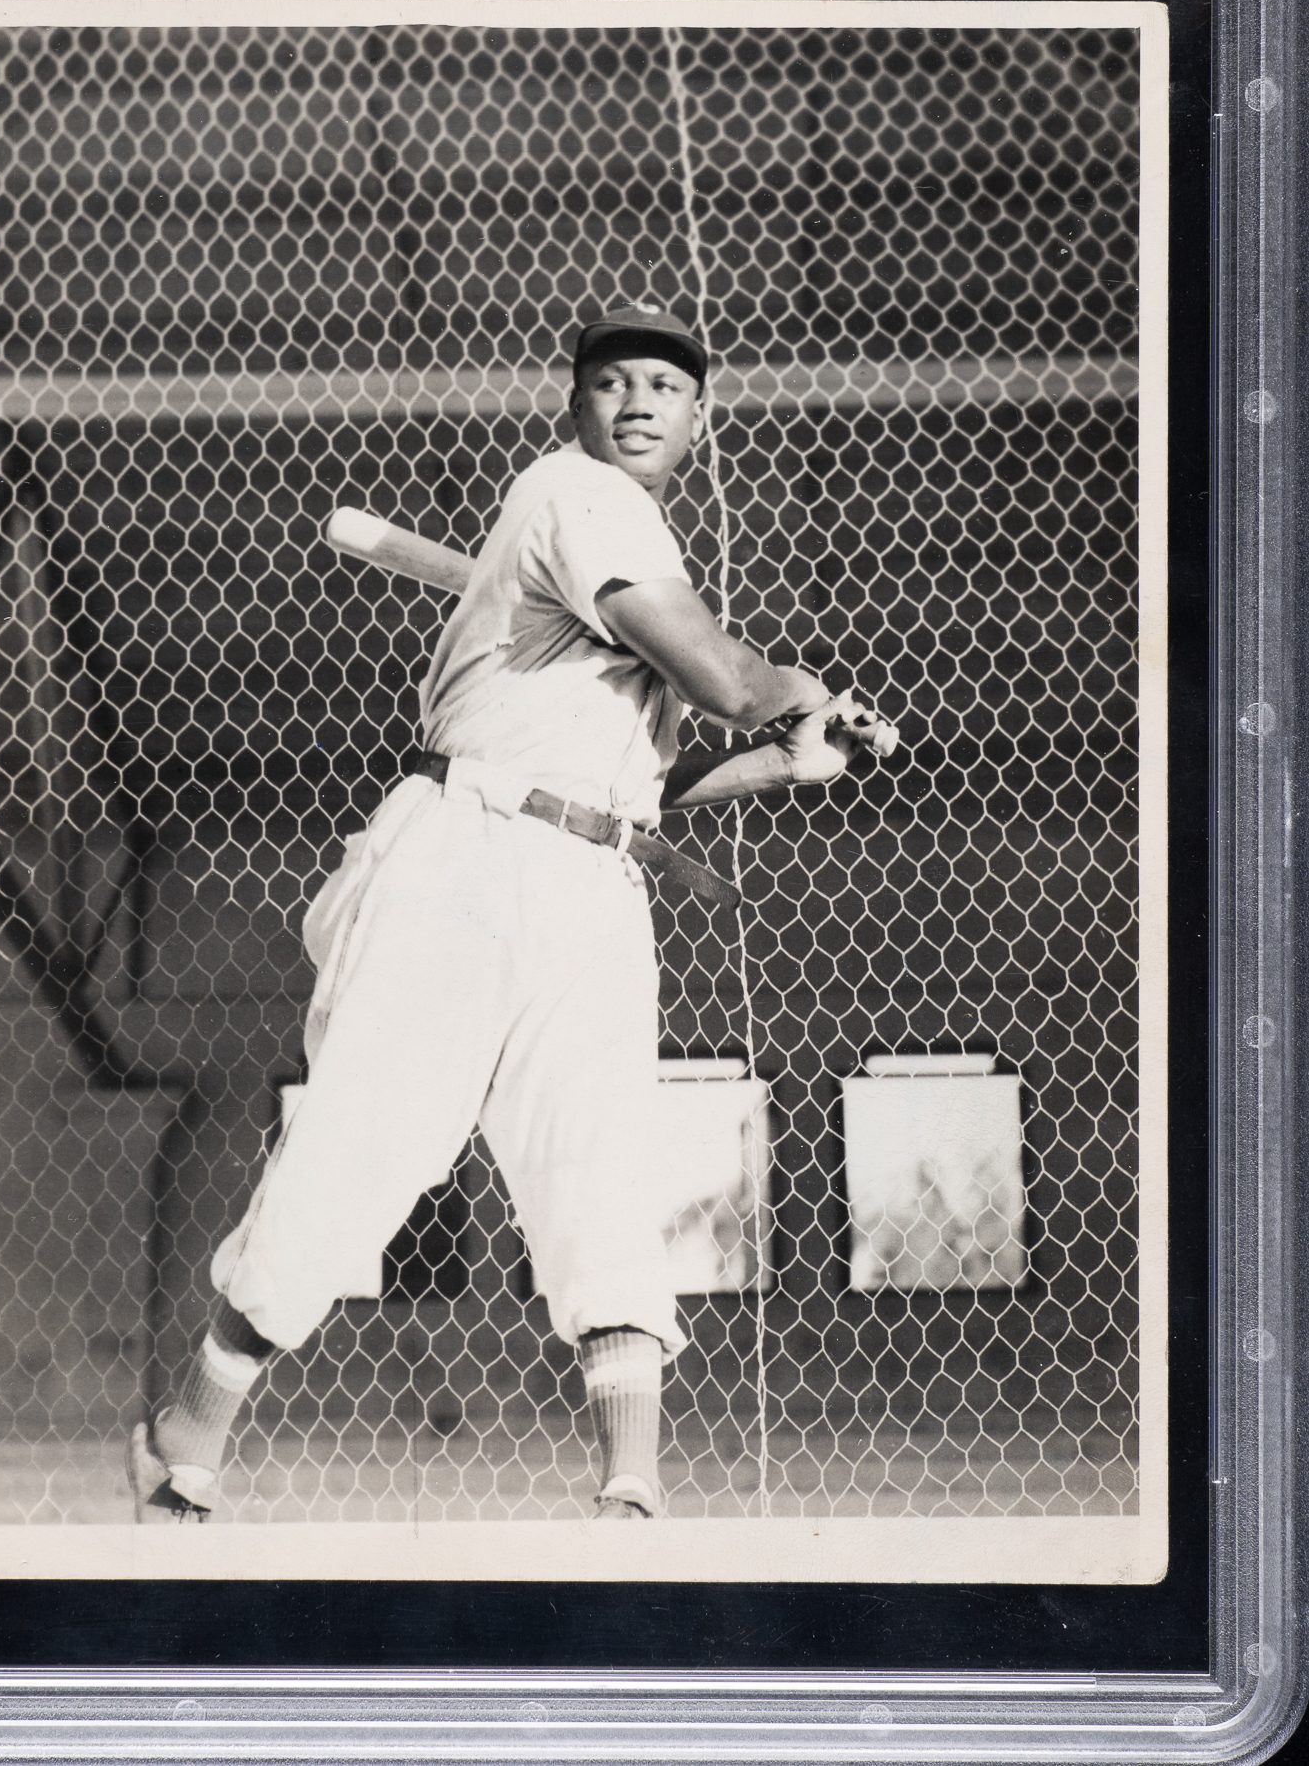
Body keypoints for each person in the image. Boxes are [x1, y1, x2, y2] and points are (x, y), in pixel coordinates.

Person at [127, 300, 884, 1525]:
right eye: (614, 381)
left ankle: (629, 1489)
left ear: (700, 417)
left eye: (667, 388)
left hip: (594, 873)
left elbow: (645, 785)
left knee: (600, 1161)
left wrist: (793, 757)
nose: (639, 402)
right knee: (366, 1154)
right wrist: (796, 690)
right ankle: (187, 1437)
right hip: (465, 860)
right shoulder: (576, 497)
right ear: (576, 403)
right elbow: (726, 679)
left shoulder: (632, 559)